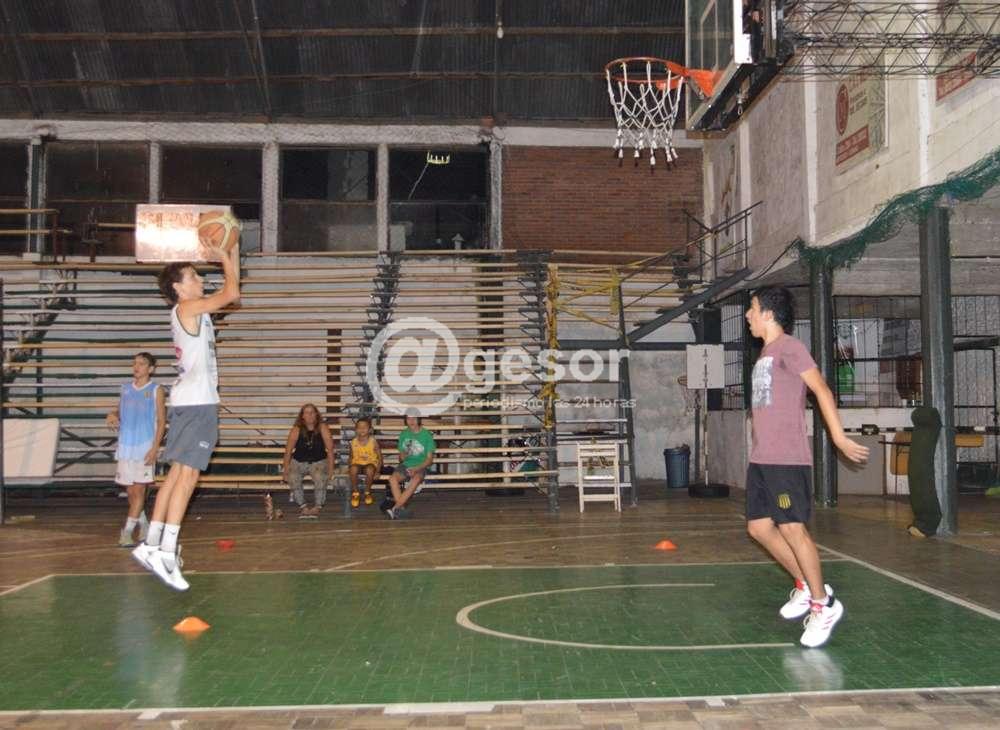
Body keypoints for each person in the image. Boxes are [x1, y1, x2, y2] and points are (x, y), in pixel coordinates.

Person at [744, 286, 869, 648]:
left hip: (786, 459)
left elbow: (822, 390)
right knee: (758, 528)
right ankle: (803, 584)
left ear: (768, 314)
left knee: (793, 529)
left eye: (752, 309)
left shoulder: (790, 347)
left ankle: (822, 603)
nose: (748, 315)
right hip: (762, 459)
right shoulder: (766, 353)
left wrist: (839, 438)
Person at [132, 225, 241, 591]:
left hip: (188, 401)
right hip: (196, 403)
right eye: (194, 276)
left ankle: (152, 544)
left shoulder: (195, 311)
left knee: (177, 475)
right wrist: (224, 256)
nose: (200, 280)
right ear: (179, 287)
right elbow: (232, 292)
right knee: (188, 477)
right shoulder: (188, 307)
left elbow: (233, 294)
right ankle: (166, 550)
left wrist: (233, 247)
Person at [107, 352, 166, 547]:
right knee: (131, 492)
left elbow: (161, 421)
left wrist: (155, 447)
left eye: (142, 364)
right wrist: (113, 414)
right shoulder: (125, 389)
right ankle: (144, 525)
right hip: (126, 446)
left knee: (139, 491)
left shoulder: (156, 390)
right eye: (135, 363)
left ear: (151, 369)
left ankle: (127, 532)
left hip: (144, 446)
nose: (136, 367)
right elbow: (119, 410)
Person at [282, 403, 336, 518]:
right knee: (293, 477)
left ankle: (317, 506)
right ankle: (303, 506)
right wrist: (286, 470)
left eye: (312, 412)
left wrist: (331, 470)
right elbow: (288, 451)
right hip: (298, 461)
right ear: (302, 416)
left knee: (320, 477)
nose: (310, 415)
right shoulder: (296, 429)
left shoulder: (323, 427)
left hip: (318, 461)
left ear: (316, 414)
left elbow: (330, 450)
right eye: (307, 413)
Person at [384, 407, 435, 519]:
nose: (411, 421)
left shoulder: (426, 435)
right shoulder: (404, 434)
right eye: (408, 418)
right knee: (392, 479)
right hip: (406, 465)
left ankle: (394, 509)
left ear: (419, 419)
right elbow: (401, 458)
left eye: (414, 418)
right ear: (405, 420)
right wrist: (403, 456)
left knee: (416, 479)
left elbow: (429, 460)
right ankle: (400, 509)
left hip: (421, 465)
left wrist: (416, 469)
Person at [349, 416, 382, 508]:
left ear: (370, 429)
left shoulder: (373, 441)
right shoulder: (353, 442)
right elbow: (351, 457)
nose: (362, 429)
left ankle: (367, 492)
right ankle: (355, 493)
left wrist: (378, 471)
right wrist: (349, 468)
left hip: (370, 463)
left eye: (365, 427)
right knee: (353, 469)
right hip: (358, 463)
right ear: (356, 430)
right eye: (359, 427)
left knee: (370, 469)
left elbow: (379, 457)